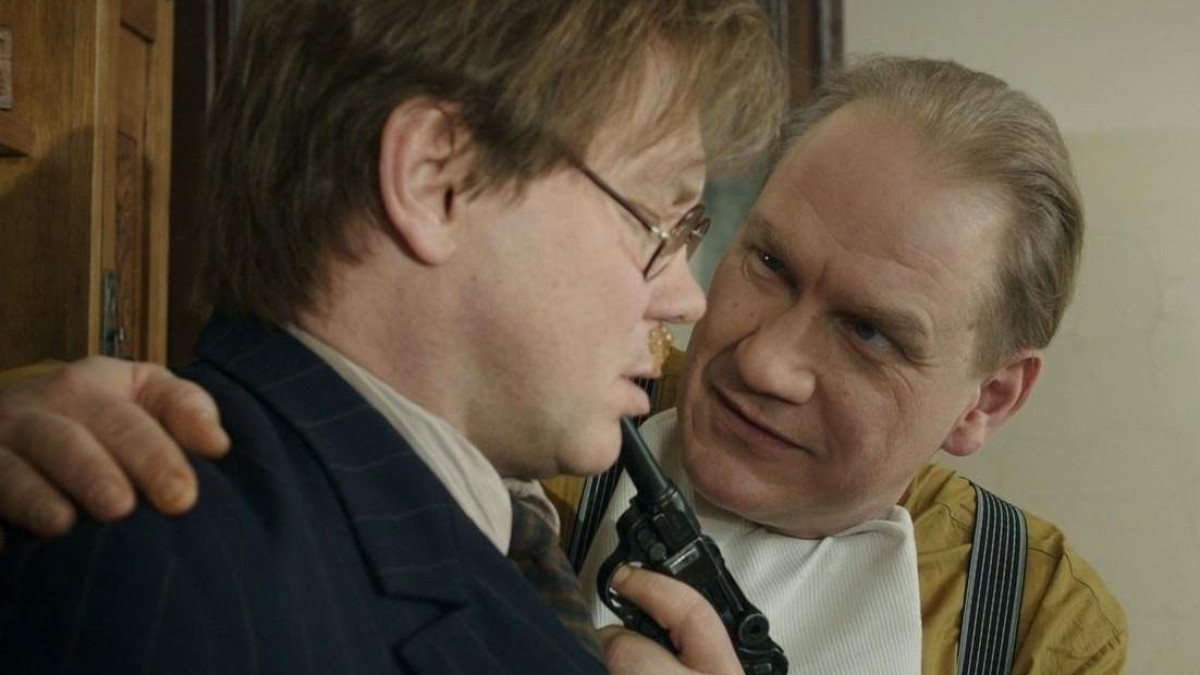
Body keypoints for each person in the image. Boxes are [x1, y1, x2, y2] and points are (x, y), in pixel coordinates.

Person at [0, 57, 1128, 674]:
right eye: (767, 262)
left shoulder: (1040, 622)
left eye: (870, 334)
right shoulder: (542, 407)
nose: (763, 358)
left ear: (989, 398)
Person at [0, 0, 786, 674]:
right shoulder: (166, 580)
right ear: (433, 179)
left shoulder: (487, 534)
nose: (685, 300)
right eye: (653, 221)